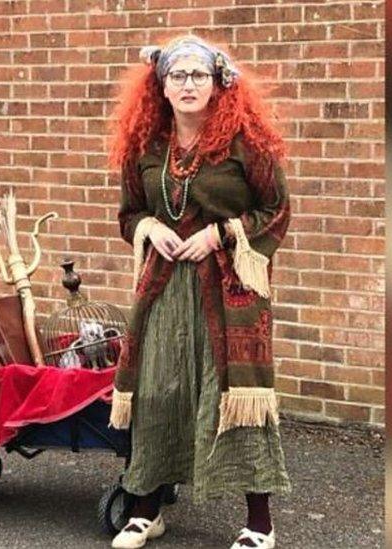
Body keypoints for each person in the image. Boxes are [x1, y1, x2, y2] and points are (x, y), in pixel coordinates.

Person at [107, 35, 292, 549]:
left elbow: (276, 209)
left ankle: (259, 523)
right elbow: (128, 215)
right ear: (161, 86)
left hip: (230, 291)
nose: (188, 85)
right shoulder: (146, 149)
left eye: (198, 76)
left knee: (233, 398)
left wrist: (221, 234)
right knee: (159, 389)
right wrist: (149, 228)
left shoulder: (244, 144)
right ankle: (147, 508)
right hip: (164, 289)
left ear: (217, 83)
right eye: (177, 76)